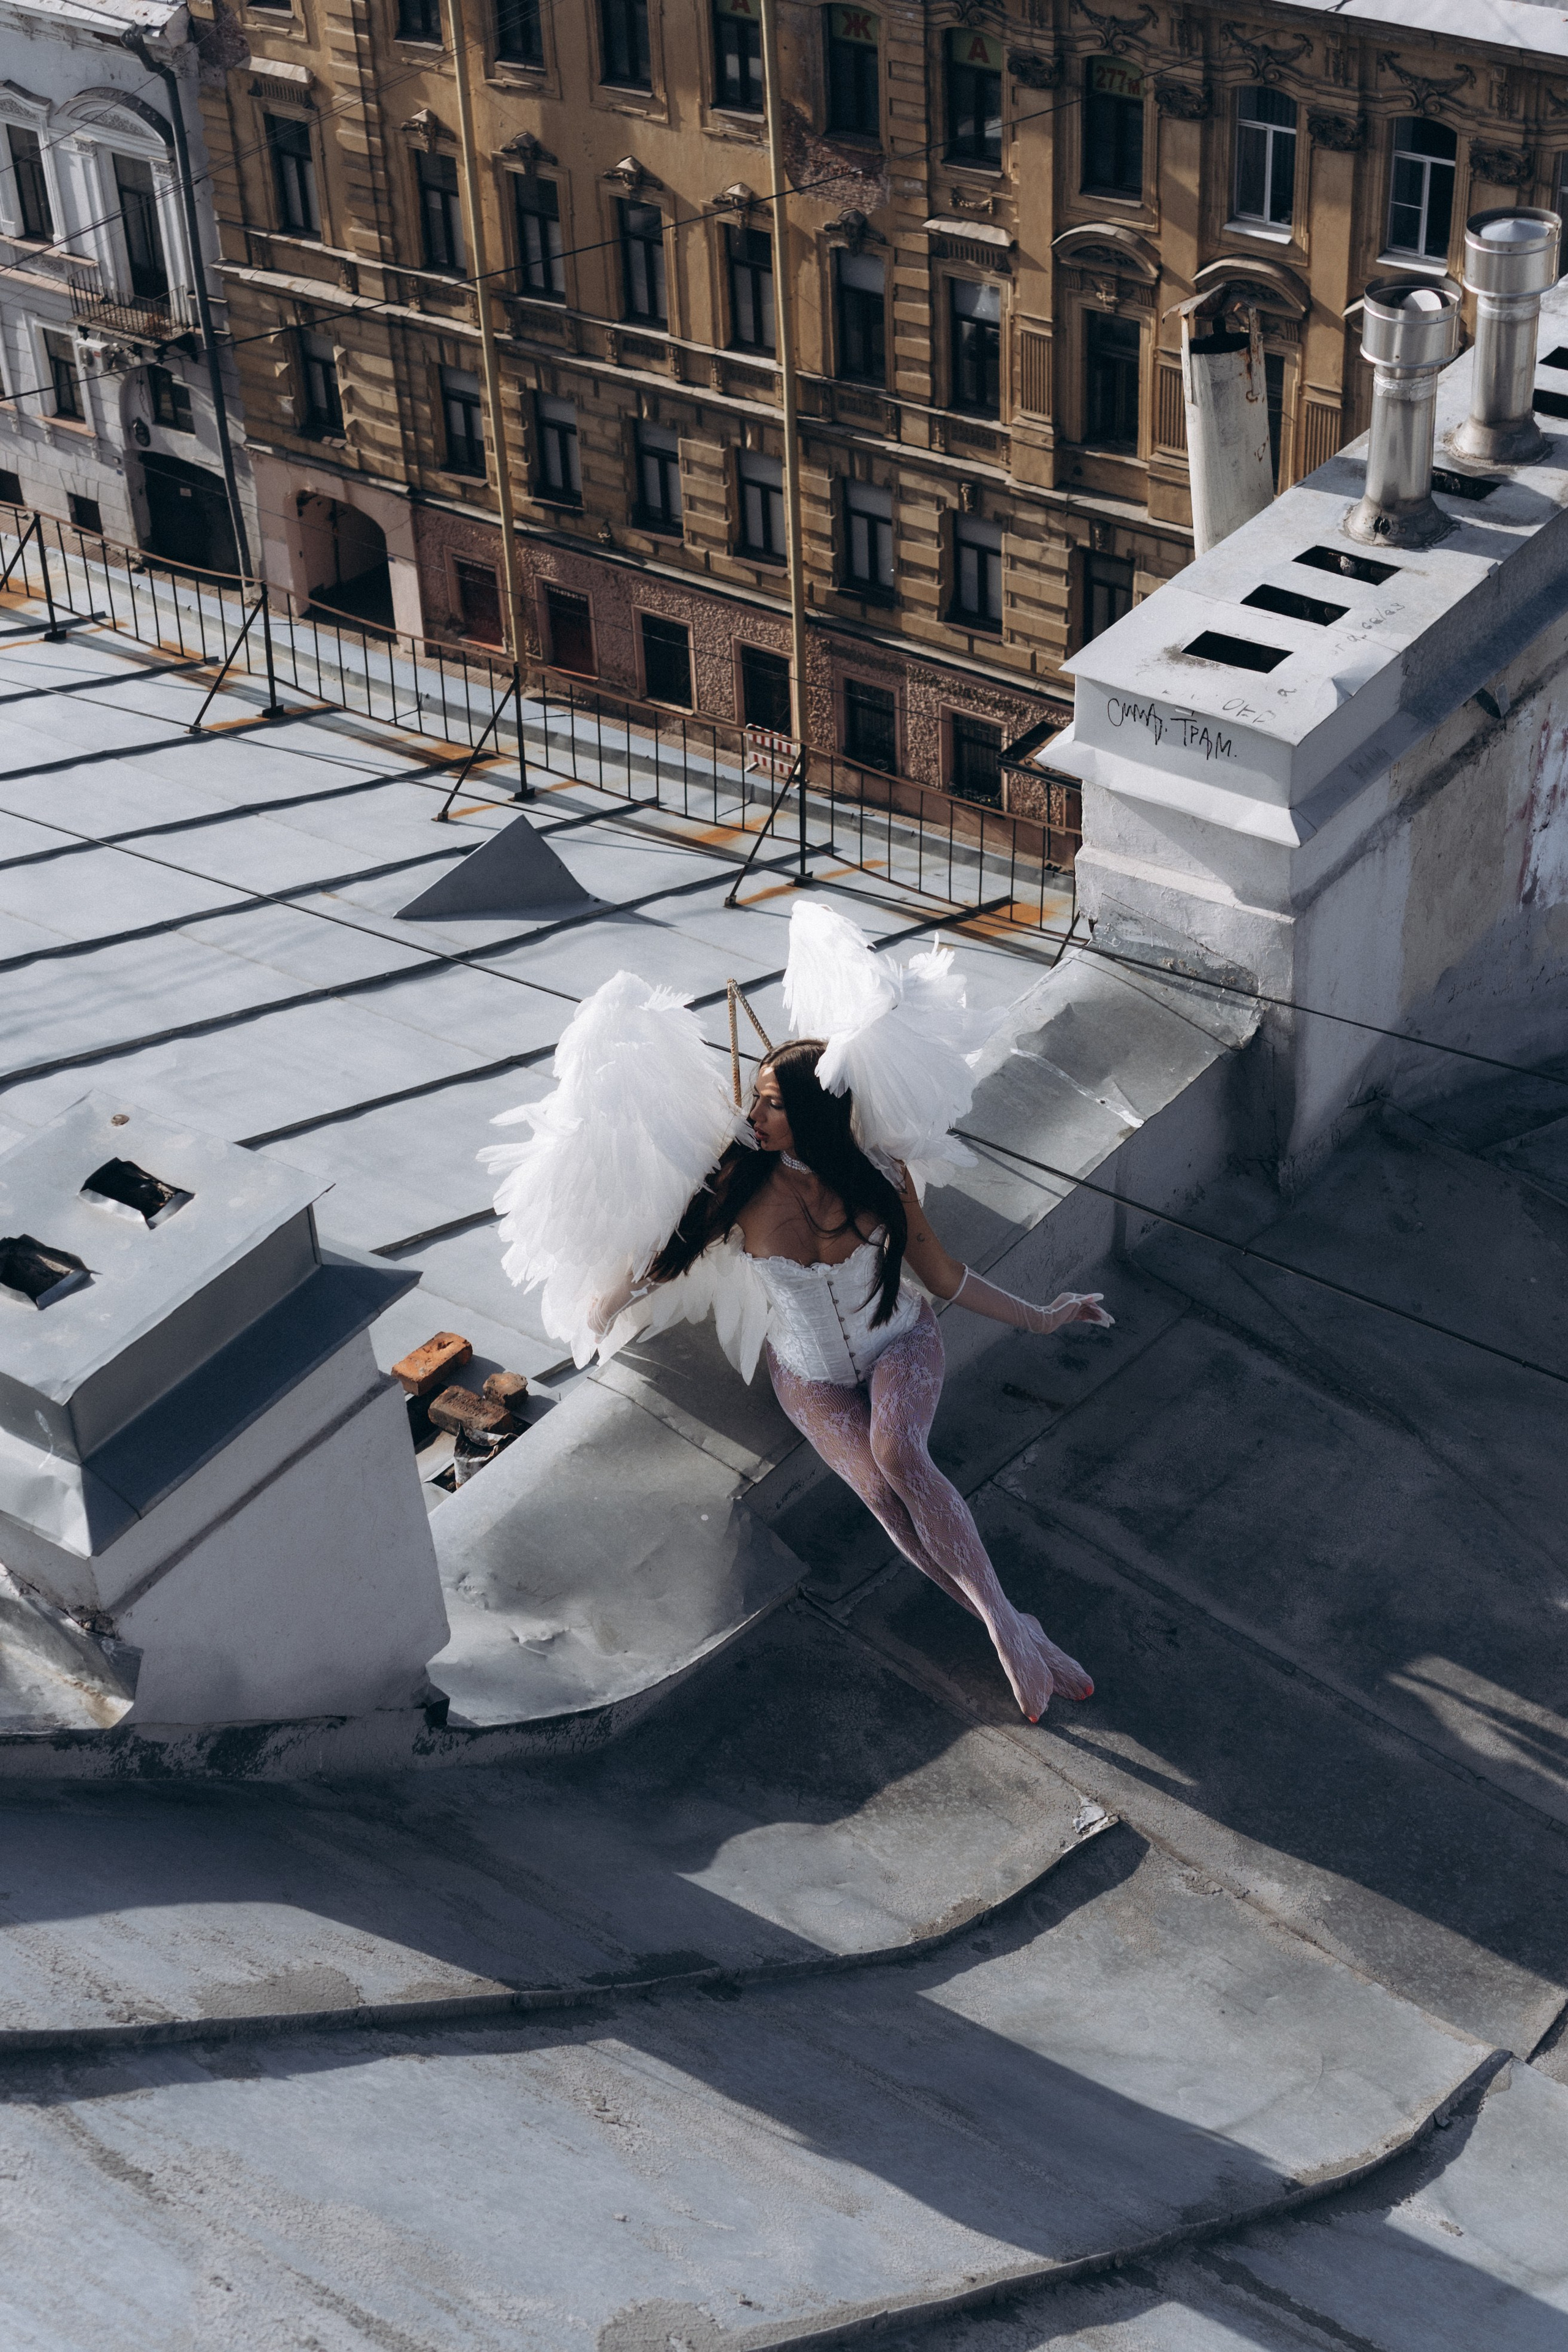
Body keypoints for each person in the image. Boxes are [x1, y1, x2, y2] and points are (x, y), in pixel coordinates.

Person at [485, 904, 1114, 1721]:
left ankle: (1003, 1631)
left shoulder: (881, 1178)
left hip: (901, 1344)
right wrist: (604, 1302)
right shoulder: (737, 1189)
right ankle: (1014, 1624)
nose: (754, 1116)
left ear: (813, 1113)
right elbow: (660, 1257)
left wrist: (1042, 1316)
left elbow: (944, 1276)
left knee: (901, 1453)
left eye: (772, 1103)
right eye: (754, 1099)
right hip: (810, 1377)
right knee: (886, 1500)